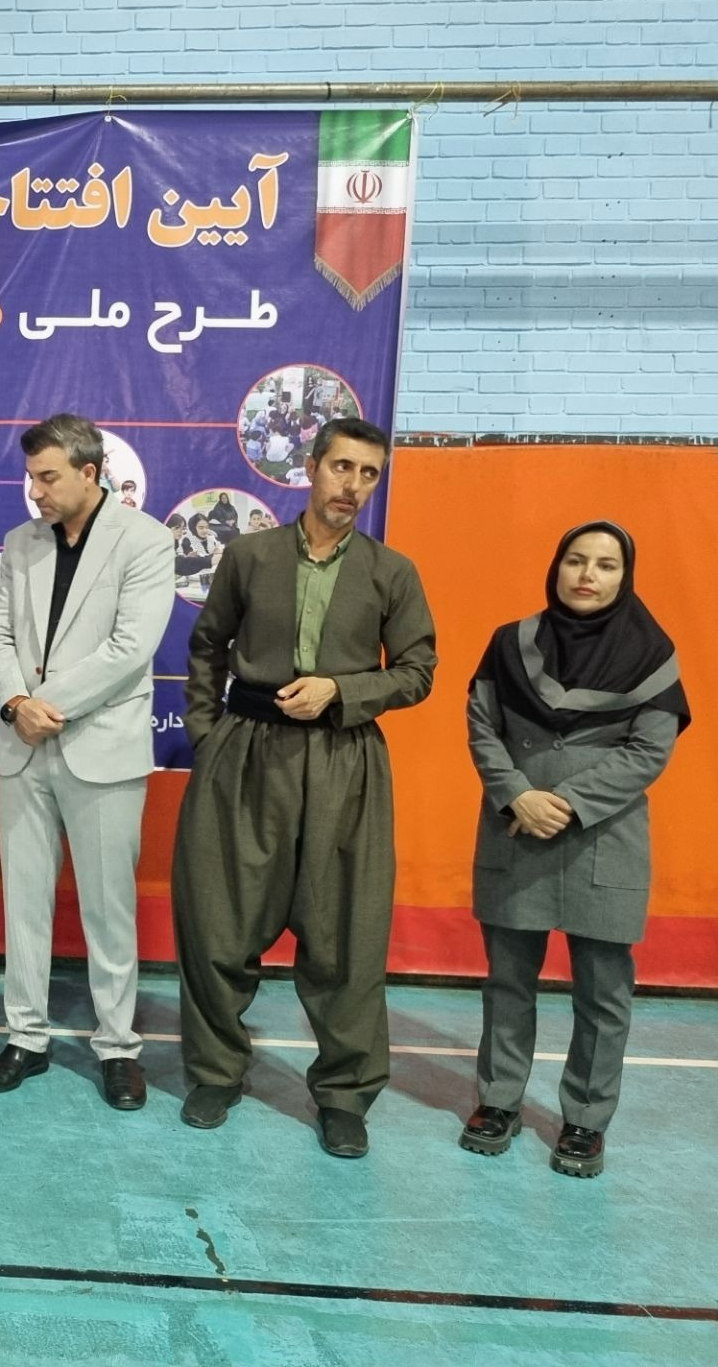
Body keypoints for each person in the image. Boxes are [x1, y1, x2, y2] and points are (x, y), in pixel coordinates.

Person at [171, 418, 436, 1158]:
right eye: (342, 467)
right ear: (312, 468)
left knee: (346, 935)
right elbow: (207, 646)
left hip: (345, 762)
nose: (353, 485)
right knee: (219, 922)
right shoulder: (248, 556)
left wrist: (341, 691)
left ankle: (344, 1096)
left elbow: (417, 671)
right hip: (245, 756)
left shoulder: (392, 572)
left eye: (369, 474)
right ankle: (216, 1073)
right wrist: (209, 735)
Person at [459, 522, 689, 1178]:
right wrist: (517, 796)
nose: (588, 575)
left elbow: (649, 751)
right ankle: (499, 1102)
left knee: (603, 991)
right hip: (516, 831)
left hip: (604, 838)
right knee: (508, 982)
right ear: (556, 567)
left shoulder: (653, 654)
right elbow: (481, 726)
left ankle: (586, 1118)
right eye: (576, 560)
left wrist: (564, 801)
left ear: (625, 576)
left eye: (606, 565)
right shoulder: (510, 643)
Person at [0, 415, 174, 1108]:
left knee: (108, 908)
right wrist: (15, 705)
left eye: (48, 477)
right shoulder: (19, 543)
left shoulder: (145, 540)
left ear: (90, 474)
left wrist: (42, 705)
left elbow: (131, 648)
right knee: (23, 904)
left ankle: (117, 1047)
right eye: (31, 476)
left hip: (102, 746)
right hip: (22, 747)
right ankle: (25, 1038)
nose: (35, 490)